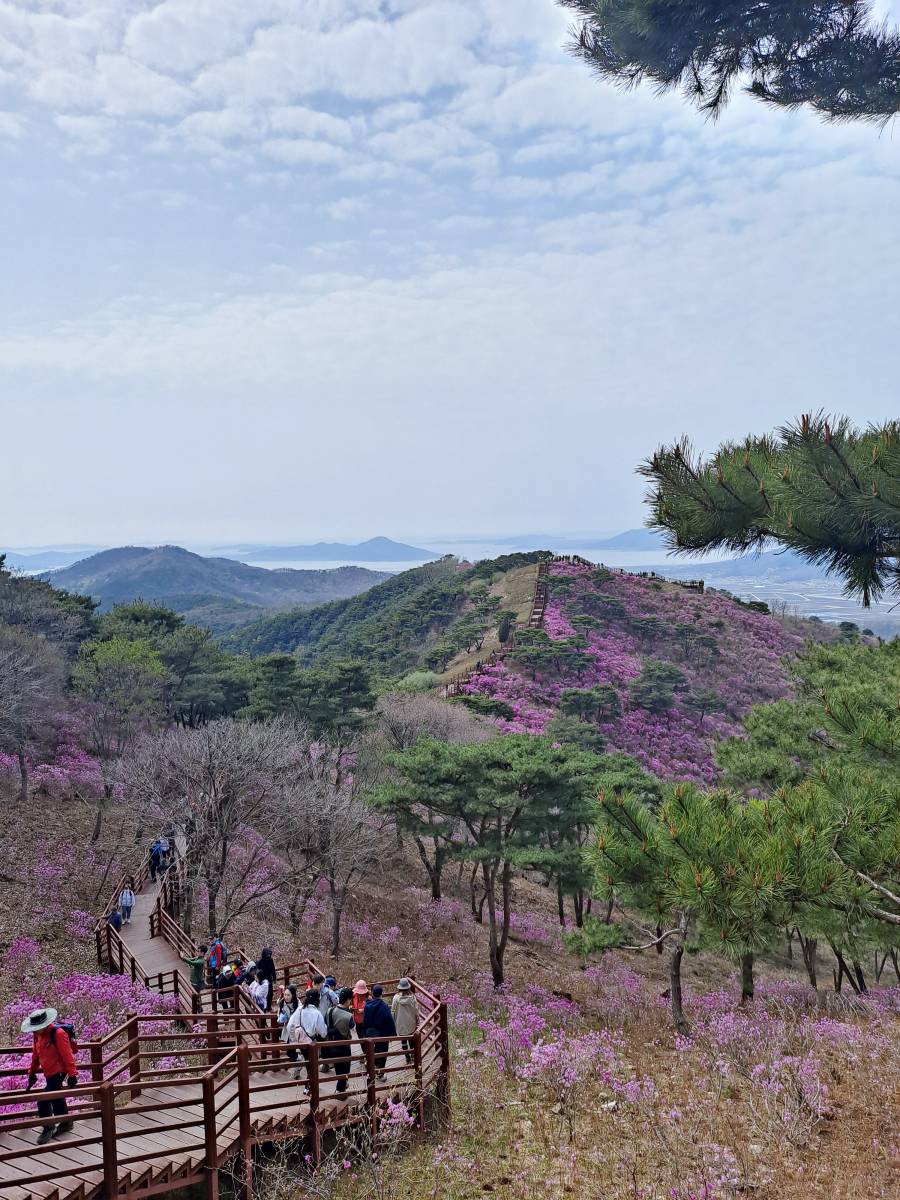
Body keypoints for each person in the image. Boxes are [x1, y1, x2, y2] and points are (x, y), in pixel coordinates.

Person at [22, 1007, 77, 1145]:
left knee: (43, 1100)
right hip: (48, 1072)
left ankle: (48, 1127)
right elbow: (36, 1056)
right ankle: (66, 1123)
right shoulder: (37, 1036)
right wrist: (32, 1073)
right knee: (56, 1097)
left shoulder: (58, 1034)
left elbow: (67, 1054)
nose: (34, 1030)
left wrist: (72, 1074)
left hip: (58, 1072)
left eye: (36, 1028)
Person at [286, 989, 327, 1093]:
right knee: (313, 1065)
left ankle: (311, 1086)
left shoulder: (299, 1009)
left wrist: (294, 1039)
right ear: (317, 999)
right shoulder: (316, 1013)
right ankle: (308, 1087)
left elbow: (290, 1025)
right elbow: (323, 1032)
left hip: (301, 1041)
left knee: (308, 1064)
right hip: (311, 1042)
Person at [323, 987, 355, 1097]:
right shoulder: (348, 1016)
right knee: (345, 1070)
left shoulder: (330, 1010)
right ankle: (339, 1092)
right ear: (348, 1000)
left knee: (338, 1069)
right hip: (344, 1046)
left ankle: (341, 1088)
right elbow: (352, 1027)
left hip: (331, 1044)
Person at [363, 984, 396, 1078]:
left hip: (370, 1033)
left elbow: (365, 1020)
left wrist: (365, 1032)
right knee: (382, 1053)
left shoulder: (367, 1005)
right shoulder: (384, 1006)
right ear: (381, 994)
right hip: (382, 1034)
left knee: (373, 1050)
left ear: (372, 993)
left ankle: (371, 1064)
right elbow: (389, 1021)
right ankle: (380, 1074)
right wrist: (392, 1035)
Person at [391, 978, 417, 1064]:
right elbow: (416, 1010)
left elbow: (393, 1011)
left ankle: (407, 1057)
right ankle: (413, 1056)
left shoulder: (396, 998)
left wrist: (393, 1022)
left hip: (400, 1022)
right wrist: (417, 1020)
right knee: (411, 1039)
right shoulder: (412, 997)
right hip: (411, 1022)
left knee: (403, 1041)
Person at [277, 985, 301, 1062]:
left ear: (293, 995)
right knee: (289, 1048)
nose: (286, 997)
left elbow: (300, 1017)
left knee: (292, 1048)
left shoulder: (298, 1004)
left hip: (296, 1028)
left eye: (288, 995)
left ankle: (297, 1060)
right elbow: (279, 1014)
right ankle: (296, 1059)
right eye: (285, 994)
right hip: (287, 1027)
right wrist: (281, 1018)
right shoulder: (282, 1003)